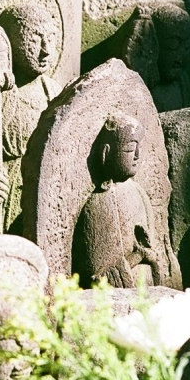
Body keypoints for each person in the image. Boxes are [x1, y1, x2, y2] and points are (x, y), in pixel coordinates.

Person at [0, 2, 62, 235]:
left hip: (44, 191)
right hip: (9, 192)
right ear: (11, 42)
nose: (45, 50)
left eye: (50, 39)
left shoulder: (53, 92)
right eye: (35, 40)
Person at [73, 112, 163, 288]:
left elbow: (153, 252)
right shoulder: (99, 204)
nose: (137, 155)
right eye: (129, 149)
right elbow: (99, 277)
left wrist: (153, 259)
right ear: (106, 153)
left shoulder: (140, 193)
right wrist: (138, 256)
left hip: (148, 289)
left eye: (139, 147)